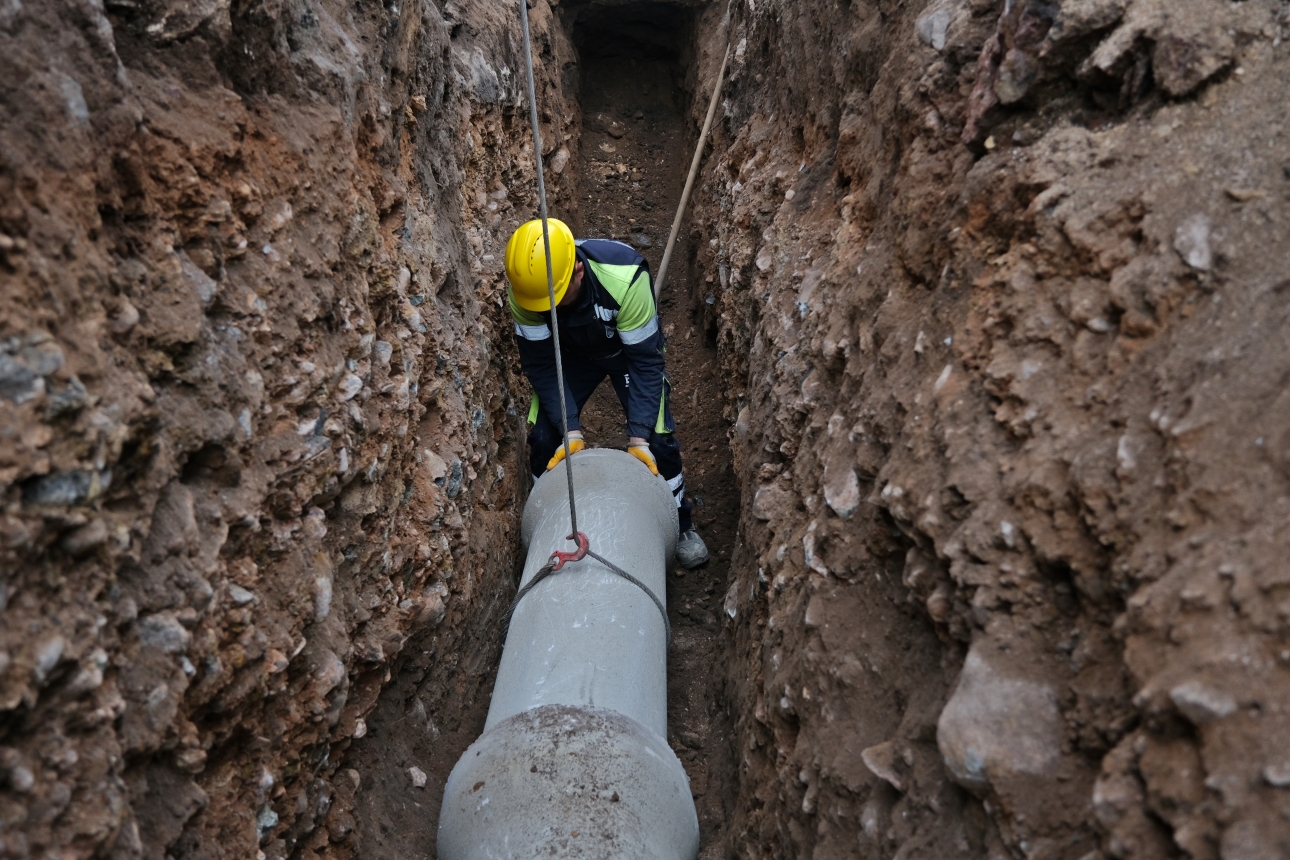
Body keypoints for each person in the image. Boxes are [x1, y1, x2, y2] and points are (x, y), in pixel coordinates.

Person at [504, 217, 709, 569]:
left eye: (555, 299)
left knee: (659, 442)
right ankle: (545, 525)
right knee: (543, 438)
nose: (545, 309)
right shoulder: (530, 292)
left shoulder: (625, 279)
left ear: (579, 272)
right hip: (567, 358)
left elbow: (646, 364)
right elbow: (541, 365)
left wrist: (639, 437)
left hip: (624, 354)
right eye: (540, 303)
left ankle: (681, 523)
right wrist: (569, 429)